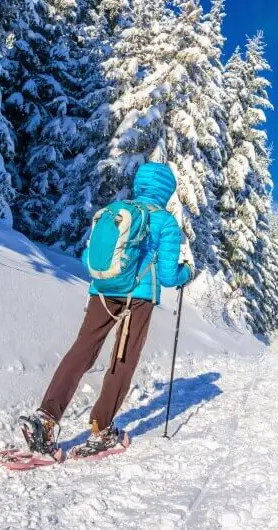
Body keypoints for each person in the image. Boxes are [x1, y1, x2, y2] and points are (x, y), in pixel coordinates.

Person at [21, 162, 194, 459]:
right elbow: (167, 276)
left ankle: (46, 419)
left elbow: (89, 255)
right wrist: (186, 272)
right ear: (167, 191)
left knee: (82, 350)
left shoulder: (116, 210)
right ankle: (102, 430)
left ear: (138, 183)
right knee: (122, 360)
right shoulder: (165, 222)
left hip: (101, 291)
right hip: (138, 297)